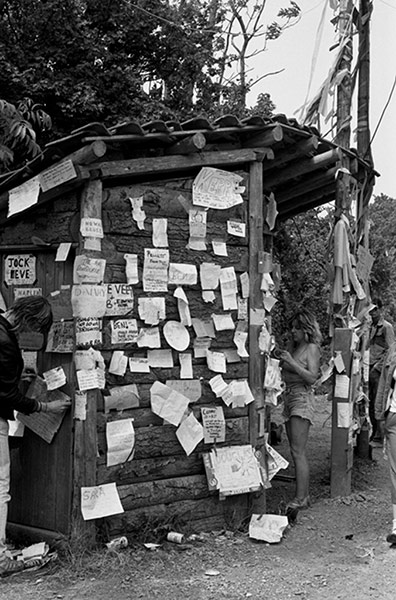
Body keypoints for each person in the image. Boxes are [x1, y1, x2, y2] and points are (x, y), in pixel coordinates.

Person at [0, 296, 71, 577]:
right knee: (0, 487)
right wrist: (45, 406)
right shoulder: (5, 342)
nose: (34, 339)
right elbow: (4, 395)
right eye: (36, 332)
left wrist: (17, 377)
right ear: (27, 320)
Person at [279, 309, 322, 510]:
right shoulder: (294, 346)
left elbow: (313, 377)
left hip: (301, 398)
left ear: (306, 329)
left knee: (298, 450)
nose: (293, 332)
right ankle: (301, 494)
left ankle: (302, 498)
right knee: (294, 449)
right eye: (292, 328)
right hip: (289, 396)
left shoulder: (311, 348)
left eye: (297, 328)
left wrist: (291, 363)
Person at [374, 341, 396, 544]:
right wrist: (379, 415)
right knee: (395, 471)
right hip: (394, 417)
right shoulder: (393, 351)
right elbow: (383, 384)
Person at [369, 299, 395, 444]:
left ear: (380, 310)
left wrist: (377, 367)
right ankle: (375, 431)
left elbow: (391, 352)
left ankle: (381, 434)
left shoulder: (386, 327)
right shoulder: (370, 327)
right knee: (370, 401)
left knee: (380, 401)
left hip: (379, 371)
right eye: (370, 311)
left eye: (375, 310)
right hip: (369, 368)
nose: (372, 313)